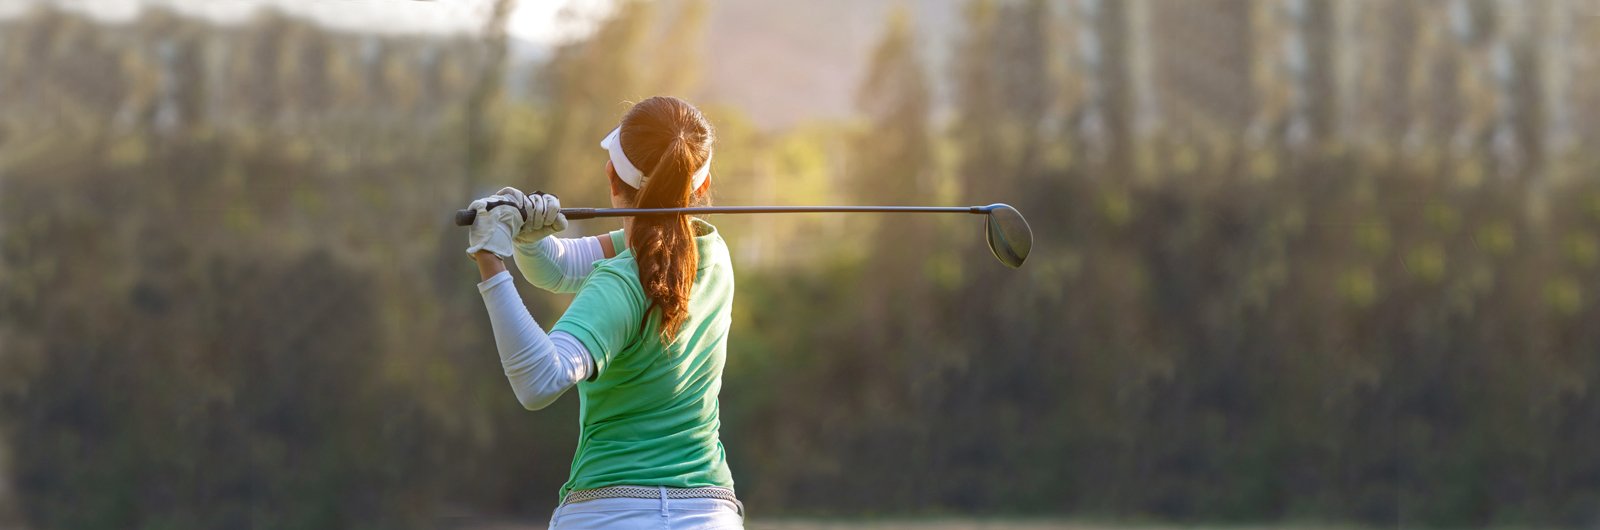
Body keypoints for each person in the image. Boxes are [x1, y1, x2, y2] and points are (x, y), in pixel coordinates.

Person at [462, 96, 743, 529]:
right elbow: (560, 268)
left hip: (609, 513)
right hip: (707, 514)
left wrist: (489, 258)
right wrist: (529, 241)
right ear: (701, 188)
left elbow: (539, 380)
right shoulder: (715, 256)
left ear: (612, 176)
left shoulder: (620, 281)